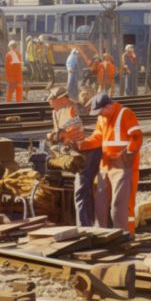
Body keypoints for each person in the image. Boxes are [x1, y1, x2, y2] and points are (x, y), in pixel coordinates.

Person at [79, 93, 143, 233]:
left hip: (122, 165)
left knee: (119, 203)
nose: (100, 114)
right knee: (100, 202)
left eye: (101, 111)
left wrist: (129, 152)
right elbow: (97, 137)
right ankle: (100, 234)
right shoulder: (102, 118)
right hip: (106, 164)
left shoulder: (125, 113)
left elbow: (137, 136)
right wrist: (82, 145)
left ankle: (123, 234)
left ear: (109, 106)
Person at [47, 86, 101, 227]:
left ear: (62, 99)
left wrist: (57, 135)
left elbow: (72, 128)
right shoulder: (56, 112)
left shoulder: (72, 109)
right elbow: (58, 133)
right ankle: (89, 223)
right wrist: (56, 138)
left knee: (81, 190)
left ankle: (84, 226)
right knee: (84, 190)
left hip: (84, 153)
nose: (49, 101)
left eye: (52, 99)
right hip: (73, 151)